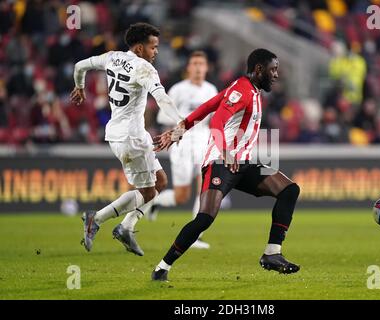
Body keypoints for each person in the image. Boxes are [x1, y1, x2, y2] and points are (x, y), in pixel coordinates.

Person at [151, 48, 301, 281]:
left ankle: (272, 253)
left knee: (289, 190)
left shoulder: (248, 89)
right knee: (205, 218)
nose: (276, 75)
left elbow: (207, 106)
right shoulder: (242, 90)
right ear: (259, 69)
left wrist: (178, 130)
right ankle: (162, 267)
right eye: (273, 69)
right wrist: (226, 151)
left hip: (243, 163)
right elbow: (217, 120)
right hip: (221, 162)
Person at [70, 23, 183, 256]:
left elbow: (79, 65)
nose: (156, 52)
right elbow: (161, 98)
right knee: (149, 192)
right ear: (140, 48)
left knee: (160, 181)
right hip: (130, 138)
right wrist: (181, 122)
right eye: (154, 47)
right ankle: (96, 218)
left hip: (124, 133)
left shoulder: (112, 57)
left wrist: (79, 87)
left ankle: (126, 228)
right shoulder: (145, 69)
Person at [150, 51, 218, 249]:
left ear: (206, 68)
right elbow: (162, 117)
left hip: (203, 141)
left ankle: (196, 235)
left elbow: (214, 117)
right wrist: (182, 121)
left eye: (201, 64)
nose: (198, 67)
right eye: (194, 63)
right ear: (188, 67)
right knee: (181, 196)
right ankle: (156, 201)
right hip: (182, 141)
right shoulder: (178, 90)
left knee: (205, 186)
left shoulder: (211, 89)